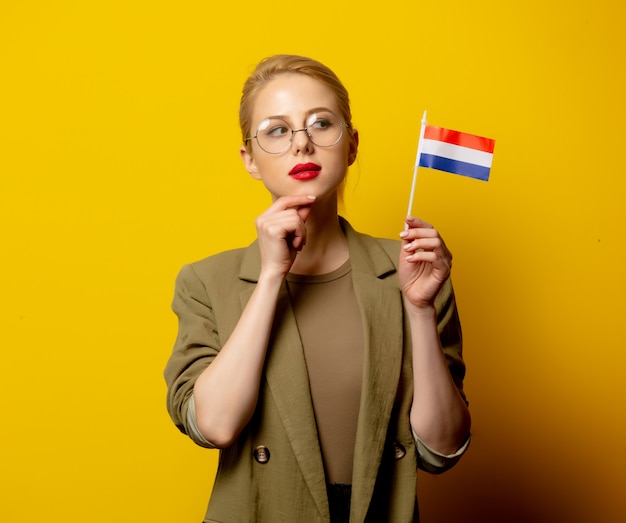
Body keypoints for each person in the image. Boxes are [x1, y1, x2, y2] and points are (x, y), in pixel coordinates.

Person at [164, 54, 471, 523]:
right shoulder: (206, 281)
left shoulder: (413, 270)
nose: (302, 145)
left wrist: (420, 309)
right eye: (277, 130)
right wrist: (270, 277)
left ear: (350, 145)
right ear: (249, 158)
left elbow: (442, 449)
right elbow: (216, 426)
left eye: (321, 123)